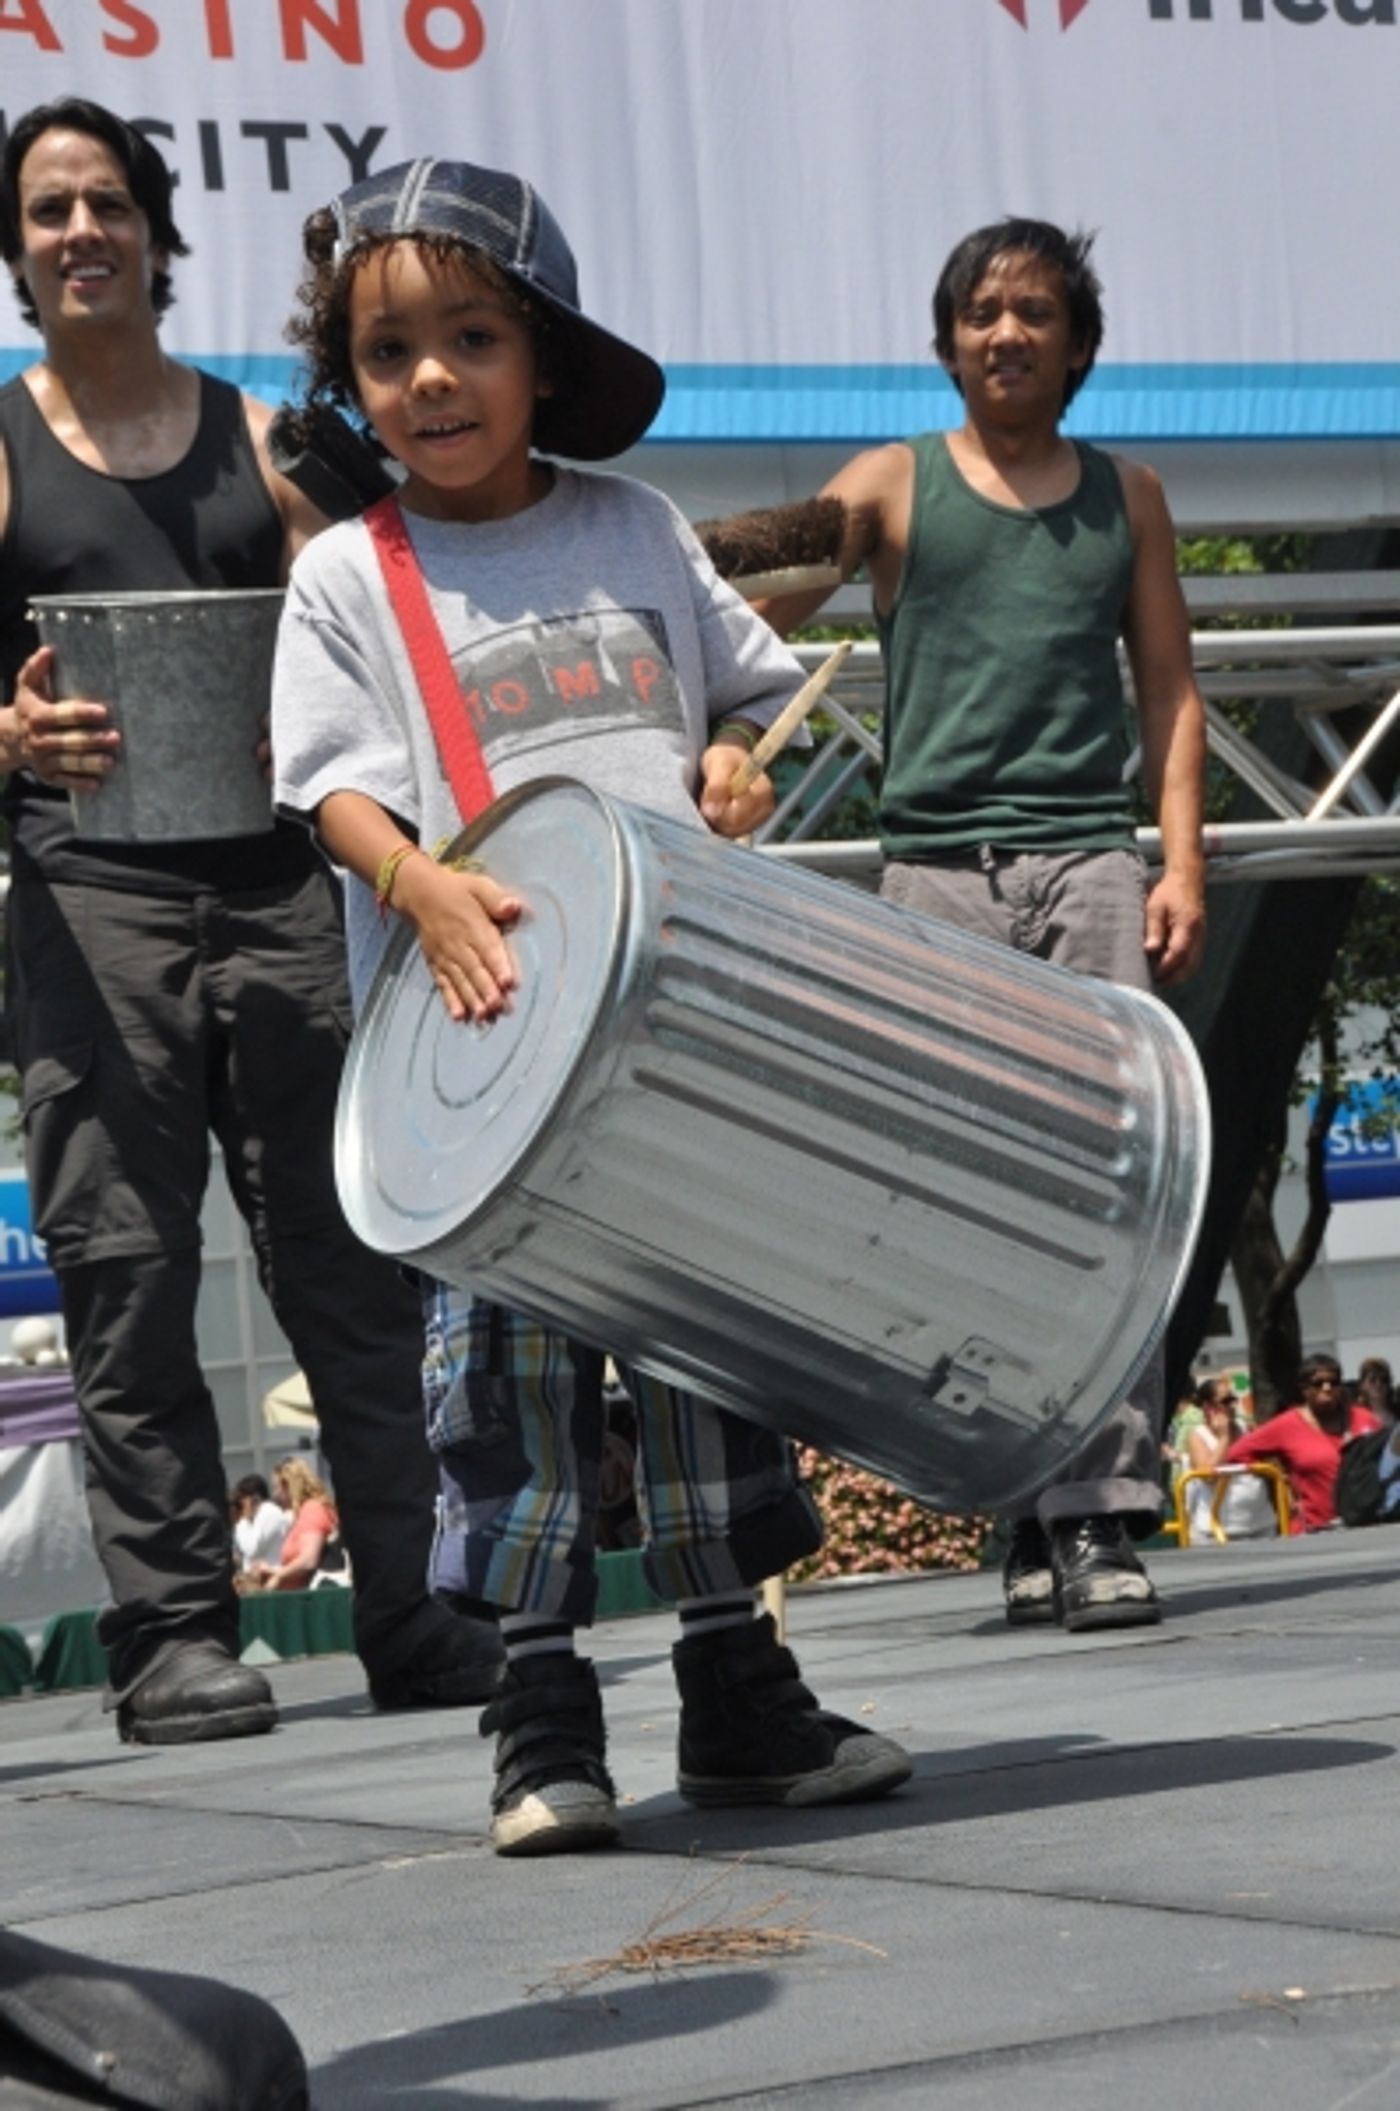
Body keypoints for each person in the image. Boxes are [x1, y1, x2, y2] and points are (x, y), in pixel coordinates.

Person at [270, 155, 912, 1855]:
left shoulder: (633, 527)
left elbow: (738, 699)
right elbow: (326, 790)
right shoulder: (354, 573)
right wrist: (415, 888)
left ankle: (736, 1691)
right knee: (512, 1385)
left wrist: (722, 760)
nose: (429, 380)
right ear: (350, 379)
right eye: (388, 351)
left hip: (678, 1024)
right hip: (479, 1044)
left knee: (710, 1363)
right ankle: (539, 1708)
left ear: (541, 355)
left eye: (469, 338)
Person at [0, 98, 504, 1746]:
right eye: (49, 209)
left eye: (107, 204)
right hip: (91, 904)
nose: (82, 231)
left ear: (155, 231)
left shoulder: (272, 443)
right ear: (18, 253)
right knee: (127, 1270)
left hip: (287, 889)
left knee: (354, 1264)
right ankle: (171, 1639)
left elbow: (372, 624)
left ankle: (418, 1612)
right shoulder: (1, 452)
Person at [755, 217, 1208, 1634]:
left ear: (1077, 341)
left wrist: (1178, 865)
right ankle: (1022, 1500)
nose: (1005, 331)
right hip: (936, 883)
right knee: (963, 1201)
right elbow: (754, 602)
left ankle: (1100, 1512)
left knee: (1107, 1190)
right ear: (946, 338)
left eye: (1033, 311)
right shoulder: (894, 483)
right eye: (981, 311)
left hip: (1087, 869)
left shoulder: (1129, 497)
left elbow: (1174, 696)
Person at [1224, 1354, 1381, 1533]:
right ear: (1304, 1389)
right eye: (1318, 1383)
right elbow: (1236, 1454)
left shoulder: (1364, 1418)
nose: (1327, 1388)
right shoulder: (1286, 1425)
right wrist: (1277, 1477)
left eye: (1334, 1382)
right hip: (1316, 1529)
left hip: (1368, 1524)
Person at [1181, 1379, 1275, 1542]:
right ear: (1208, 1407)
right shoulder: (1198, 1436)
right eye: (1226, 1401)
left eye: (1233, 1399)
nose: (1232, 1405)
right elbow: (1208, 1475)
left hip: (1261, 1524)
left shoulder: (1246, 1427)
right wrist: (1224, 1437)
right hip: (1218, 1531)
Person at [242, 1458, 338, 1592]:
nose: (275, 1495)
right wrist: (274, 1572)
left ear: (289, 1486)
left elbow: (308, 1560)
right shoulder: (303, 1514)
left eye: (276, 1488)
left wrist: (279, 1576)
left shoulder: (312, 1509)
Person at [231, 1472, 291, 1575]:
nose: (240, 1506)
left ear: (254, 1498)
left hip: (272, 1579)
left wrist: (242, 1521)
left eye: (241, 1499)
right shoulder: (254, 1519)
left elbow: (252, 1548)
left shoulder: (269, 1511)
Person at [1354, 1355, 1396, 1425]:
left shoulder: (1396, 1412)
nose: (1378, 1384)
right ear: (1362, 1385)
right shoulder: (1355, 1416)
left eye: (1384, 1380)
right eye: (1372, 1380)